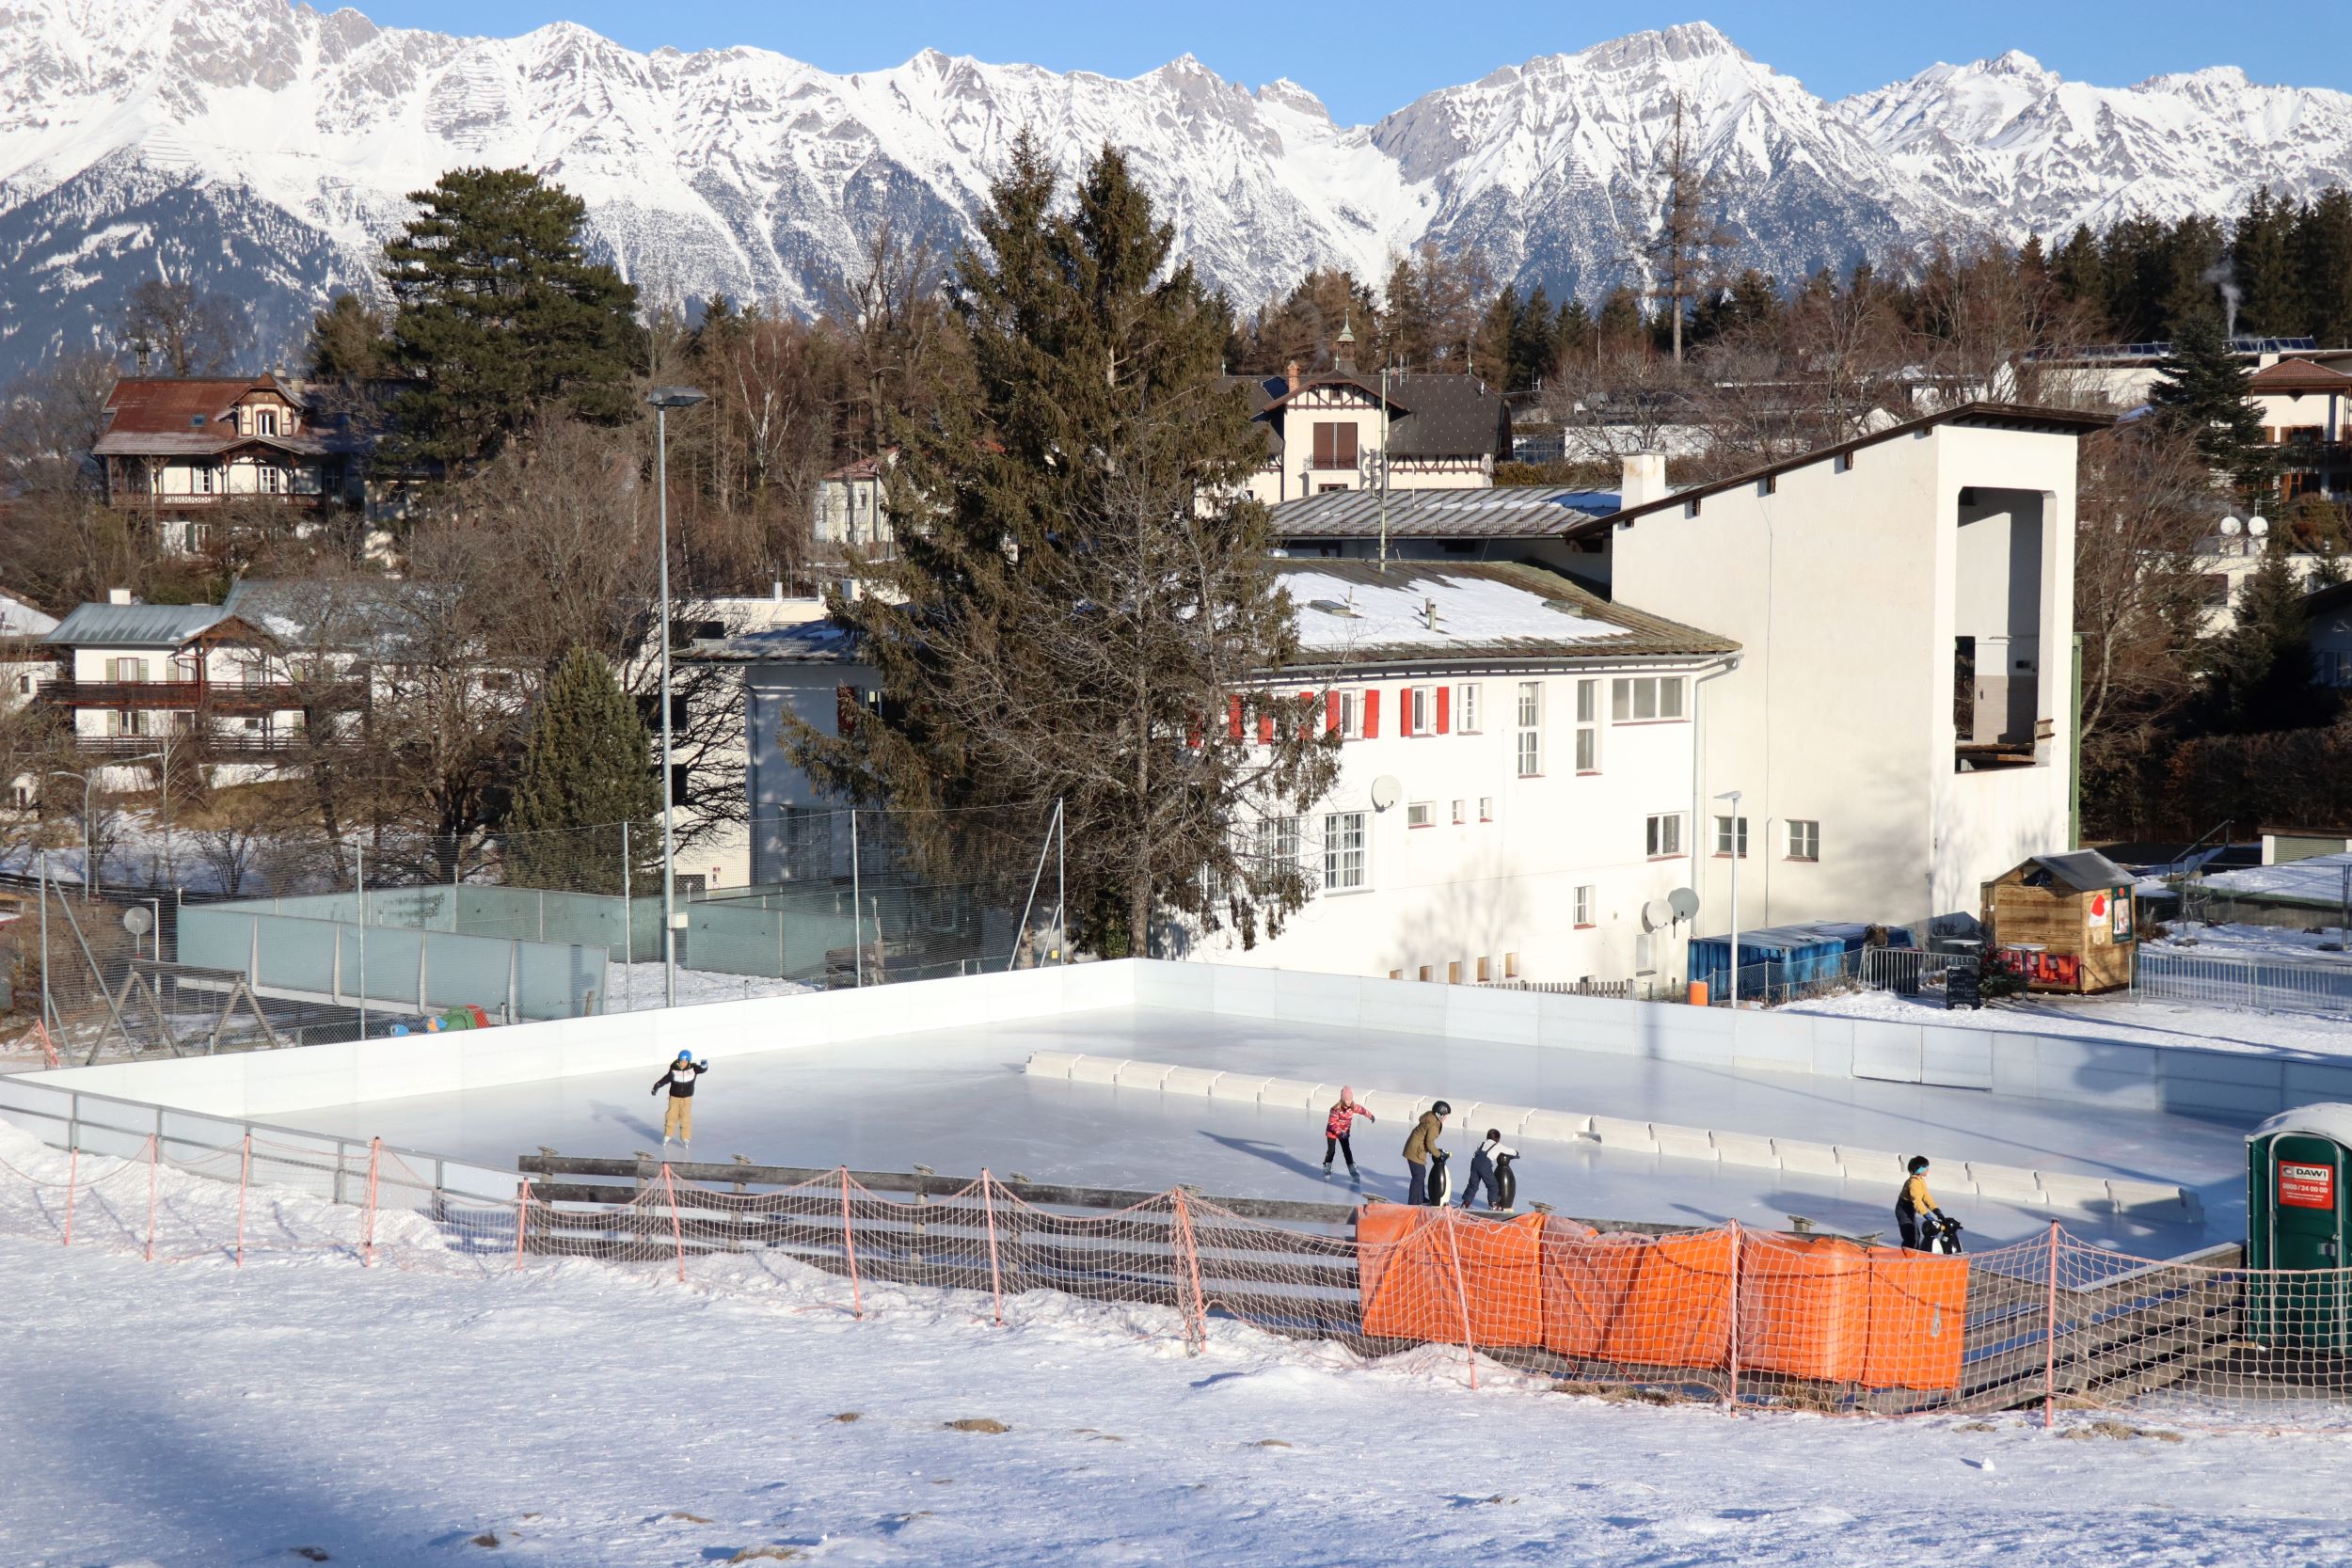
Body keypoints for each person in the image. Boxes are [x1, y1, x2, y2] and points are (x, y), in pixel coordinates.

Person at [652, 1050, 708, 1148]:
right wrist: (656, 1086)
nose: (682, 1063)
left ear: (688, 1061)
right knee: (671, 1115)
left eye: (685, 1061)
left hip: (687, 1097)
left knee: (685, 1116)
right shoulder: (674, 1069)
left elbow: (702, 1069)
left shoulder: (693, 1068)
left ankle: (685, 1137)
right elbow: (666, 1079)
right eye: (681, 1061)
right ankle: (668, 1134)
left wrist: (705, 1064)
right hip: (674, 1097)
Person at [1402, 1100, 1450, 1205]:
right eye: (1445, 1115)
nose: (1446, 1118)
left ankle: (1420, 1198)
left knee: (1420, 1175)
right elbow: (1429, 1142)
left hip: (1413, 1148)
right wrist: (1438, 1154)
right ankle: (1413, 1203)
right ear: (1440, 1114)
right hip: (1415, 1151)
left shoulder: (1430, 1117)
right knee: (1418, 1176)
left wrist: (1436, 1152)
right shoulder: (1434, 1125)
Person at [1458, 1129, 1518, 1212]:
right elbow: (1510, 1151)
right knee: (1492, 1185)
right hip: (1485, 1165)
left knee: (1473, 1185)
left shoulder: (1481, 1144)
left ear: (1487, 1137)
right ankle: (1493, 1204)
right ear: (1497, 1139)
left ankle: (1465, 1204)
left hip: (1475, 1163)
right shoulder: (1498, 1146)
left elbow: (1479, 1149)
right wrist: (1516, 1153)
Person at [1323, 1087, 1375, 1179]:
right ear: (1342, 1099)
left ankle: (1351, 1168)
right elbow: (1332, 1124)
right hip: (1332, 1132)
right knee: (1331, 1151)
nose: (1349, 1102)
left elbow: (1362, 1110)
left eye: (1350, 1100)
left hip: (1344, 1132)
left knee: (1347, 1150)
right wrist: (1340, 1133)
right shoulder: (1335, 1109)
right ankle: (1327, 1166)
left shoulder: (1353, 1107)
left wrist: (1370, 1116)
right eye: (1347, 1100)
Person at [1896, 1154, 1946, 1251]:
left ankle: (1912, 1256)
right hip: (1904, 1210)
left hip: (1909, 1210)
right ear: (1919, 1169)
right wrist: (1926, 1215)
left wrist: (1935, 1209)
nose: (1928, 1170)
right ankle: (1906, 1258)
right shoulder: (1914, 1183)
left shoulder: (1921, 1180)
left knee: (1916, 1236)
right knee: (1911, 1237)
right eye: (1925, 1168)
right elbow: (1917, 1201)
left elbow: (1926, 1196)